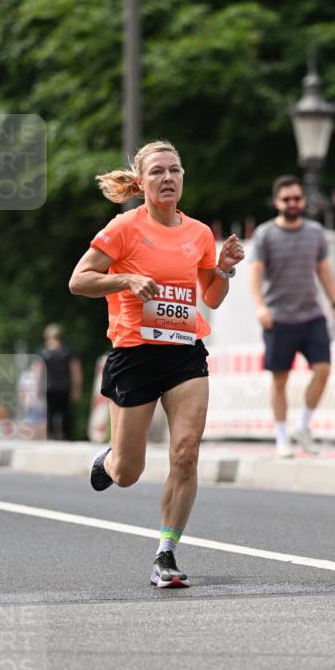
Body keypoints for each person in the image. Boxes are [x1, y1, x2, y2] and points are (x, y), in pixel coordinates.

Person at [69, 139, 244, 588]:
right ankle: (108, 461)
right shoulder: (124, 228)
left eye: (175, 170)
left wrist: (222, 269)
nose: (168, 178)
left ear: (183, 177)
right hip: (135, 353)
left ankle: (166, 553)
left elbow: (212, 299)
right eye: (158, 172)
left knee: (186, 452)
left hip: (185, 352)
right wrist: (126, 278)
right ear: (142, 182)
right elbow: (79, 281)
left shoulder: (199, 233)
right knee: (129, 473)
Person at [248, 175, 335, 458]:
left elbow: (324, 270)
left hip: (312, 315)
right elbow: (254, 272)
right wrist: (260, 306)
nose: (293, 203)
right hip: (278, 317)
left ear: (302, 200)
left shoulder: (315, 232)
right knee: (280, 379)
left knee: (323, 370)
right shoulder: (265, 234)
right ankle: (281, 436)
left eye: (297, 198)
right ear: (277, 202)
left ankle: (303, 426)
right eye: (287, 199)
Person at [36, 324, 83, 440]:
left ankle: (51, 436)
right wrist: (76, 389)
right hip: (65, 388)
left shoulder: (42, 352)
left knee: (50, 413)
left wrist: (37, 389)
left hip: (49, 388)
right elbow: (76, 372)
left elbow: (37, 372)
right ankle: (66, 436)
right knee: (66, 412)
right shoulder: (67, 352)